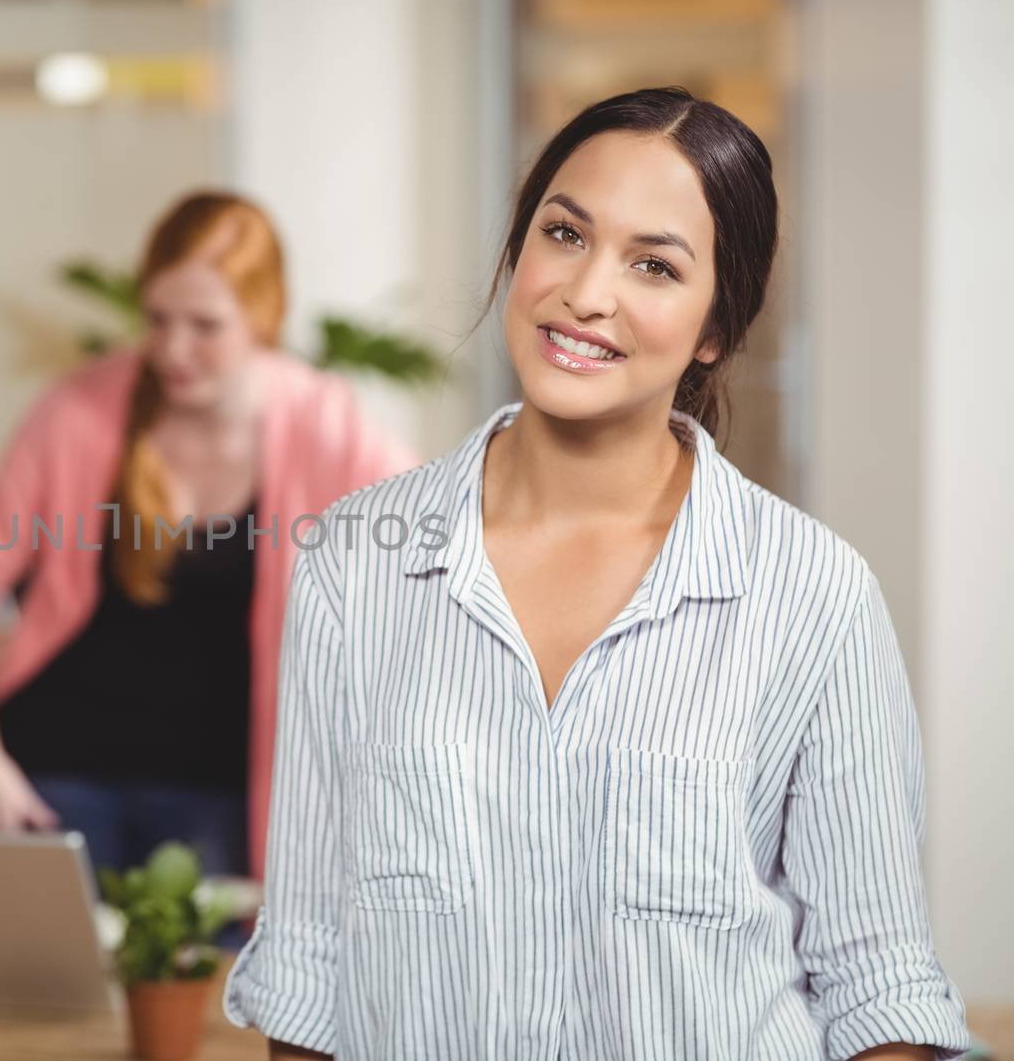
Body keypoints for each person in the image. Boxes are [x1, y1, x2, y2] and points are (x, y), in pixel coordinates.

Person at [225, 88, 971, 1060]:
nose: (586, 292)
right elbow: (310, 964)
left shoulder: (811, 594)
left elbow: (876, 980)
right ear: (518, 247)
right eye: (564, 233)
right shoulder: (356, 565)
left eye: (654, 264)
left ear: (714, 326)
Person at [0, 191, 417, 880]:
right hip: (55, 771)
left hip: (222, 792)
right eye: (158, 319)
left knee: (215, 984)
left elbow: (443, 545)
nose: (172, 350)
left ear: (262, 317)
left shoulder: (326, 427)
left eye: (205, 325)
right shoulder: (79, 409)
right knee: (54, 986)